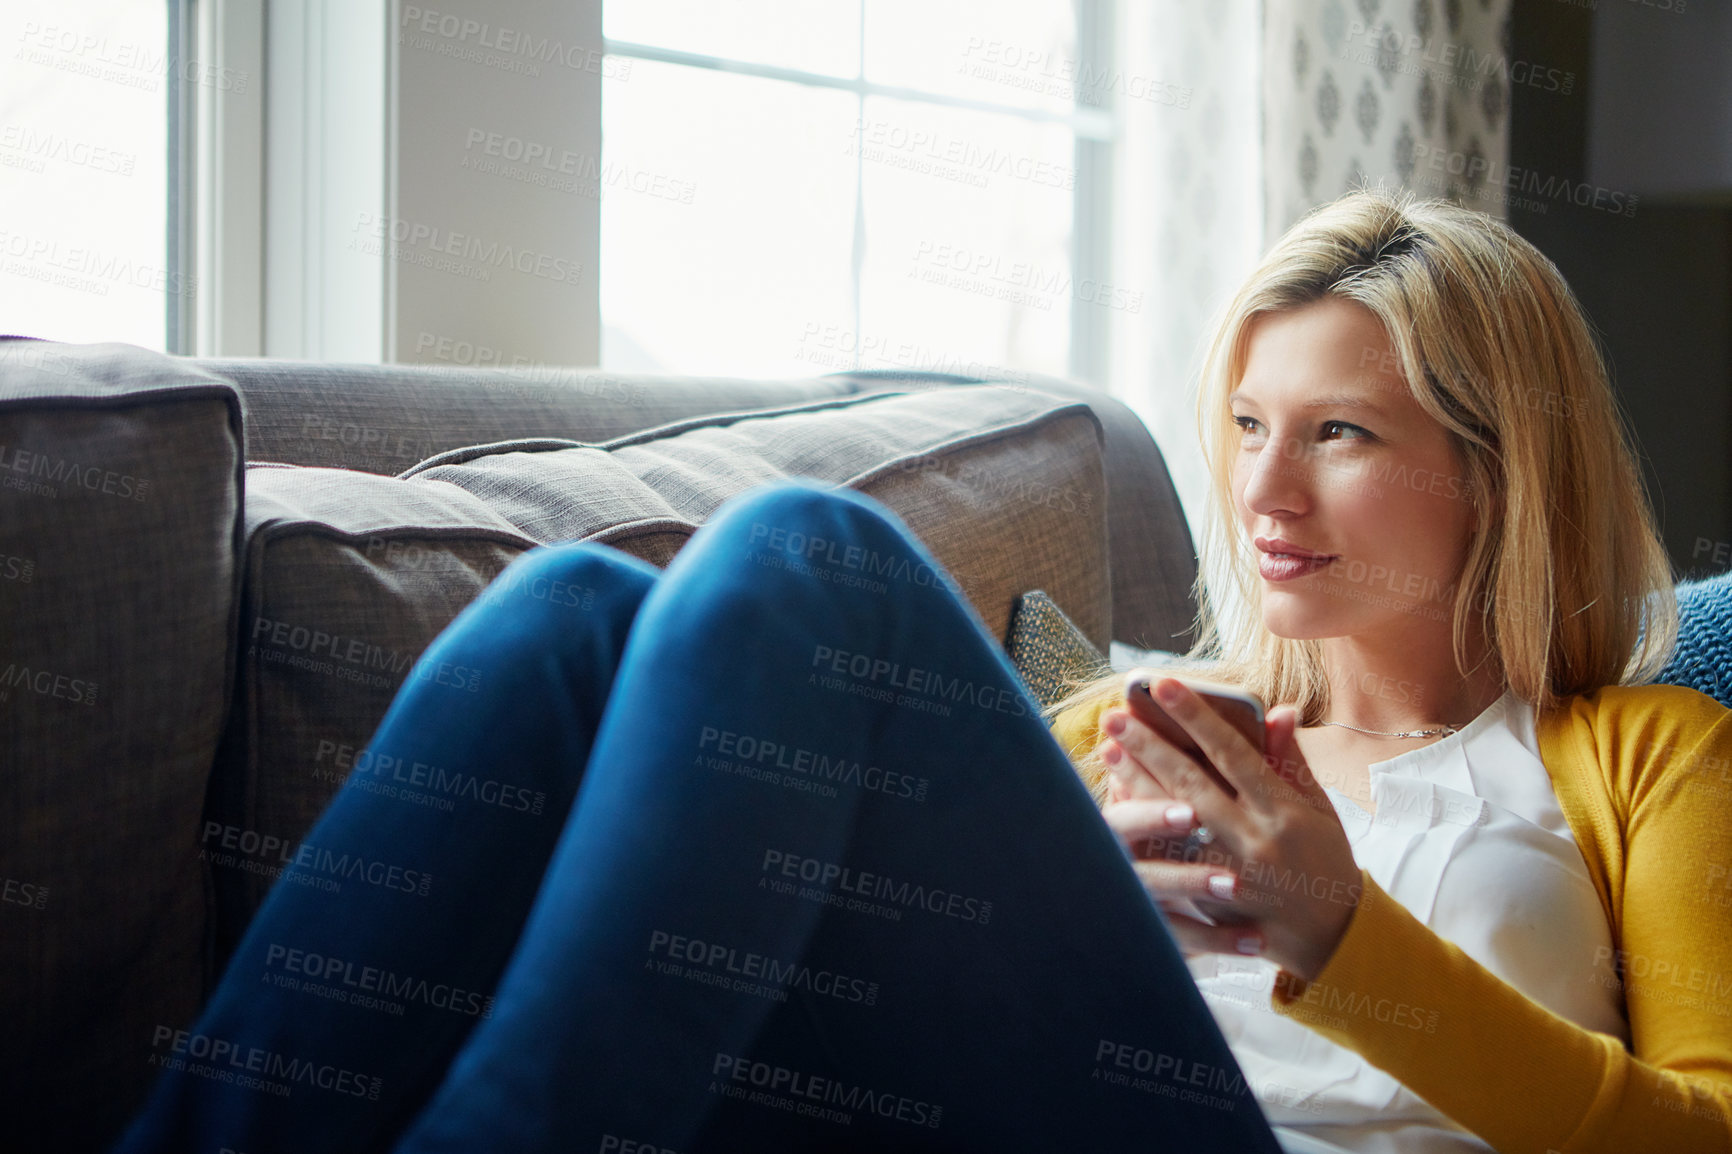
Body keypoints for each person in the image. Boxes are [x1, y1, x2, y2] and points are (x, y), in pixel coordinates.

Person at [1048, 188, 1732, 1152]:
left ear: (1498, 473)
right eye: (1249, 425)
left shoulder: (1656, 760)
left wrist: (1338, 934)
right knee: (817, 541)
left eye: (1339, 432)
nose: (1262, 493)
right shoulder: (1128, 735)